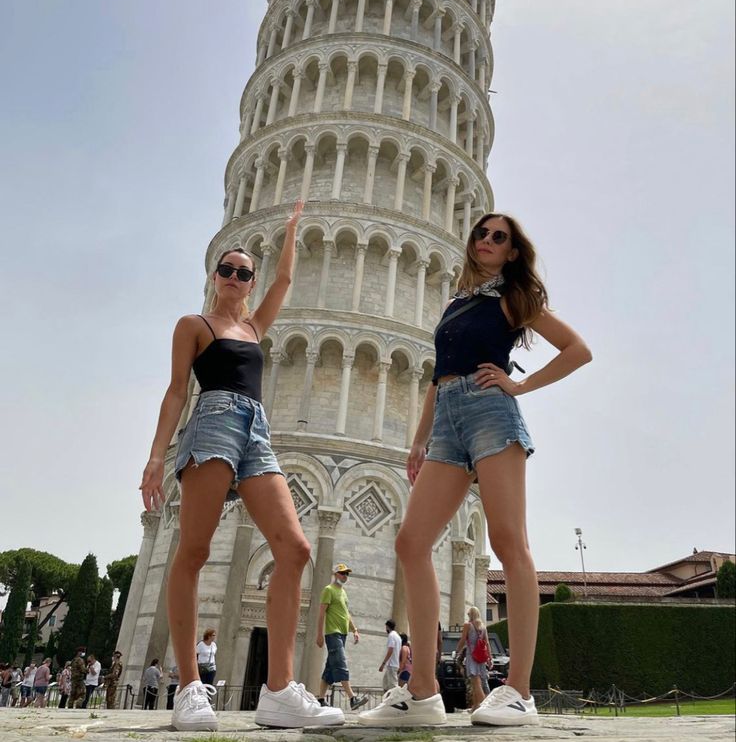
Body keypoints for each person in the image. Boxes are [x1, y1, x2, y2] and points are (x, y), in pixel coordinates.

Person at [359, 212, 592, 728]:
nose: (486, 241)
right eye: (481, 234)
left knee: (510, 544)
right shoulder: (455, 303)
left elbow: (579, 350)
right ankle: (421, 693)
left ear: (512, 252)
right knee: (411, 543)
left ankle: (520, 692)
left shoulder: (515, 298)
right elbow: (438, 377)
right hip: (447, 421)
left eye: (499, 237)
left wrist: (520, 386)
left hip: (491, 413)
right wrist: (420, 439)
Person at [139, 201, 344, 732]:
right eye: (226, 270)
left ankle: (278, 691)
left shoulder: (255, 327)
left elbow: (286, 278)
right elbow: (174, 391)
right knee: (194, 550)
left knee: (295, 548)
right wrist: (155, 458)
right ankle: (188, 688)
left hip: (256, 429)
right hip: (211, 422)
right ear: (214, 277)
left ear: (250, 282)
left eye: (243, 272)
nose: (234, 277)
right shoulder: (194, 324)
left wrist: (293, 229)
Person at [315, 564, 368, 711]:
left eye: (347, 574)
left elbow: (346, 614)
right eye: (343, 573)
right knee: (341, 663)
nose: (345, 576)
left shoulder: (343, 592)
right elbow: (321, 614)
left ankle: (320, 699)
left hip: (342, 634)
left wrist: (354, 630)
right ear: (336, 574)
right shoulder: (328, 590)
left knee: (330, 669)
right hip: (332, 633)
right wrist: (319, 634)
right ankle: (352, 698)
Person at [458, 607, 489, 710]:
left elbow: (463, 640)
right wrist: (489, 658)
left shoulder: (468, 625)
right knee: (476, 681)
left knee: (476, 683)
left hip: (472, 656)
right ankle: (475, 706)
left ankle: (485, 706)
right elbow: (487, 643)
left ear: (470, 615)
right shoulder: (483, 627)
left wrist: (457, 650)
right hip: (481, 657)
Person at [378, 620, 401, 691]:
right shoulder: (398, 637)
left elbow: (390, 650)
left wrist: (383, 664)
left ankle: (399, 701)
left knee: (393, 686)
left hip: (391, 665)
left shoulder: (391, 635)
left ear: (387, 627)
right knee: (385, 685)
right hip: (393, 665)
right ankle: (387, 701)